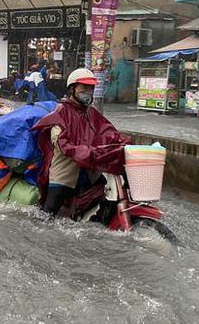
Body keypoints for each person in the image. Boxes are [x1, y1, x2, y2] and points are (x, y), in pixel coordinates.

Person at [33, 68, 130, 216]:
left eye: (91, 88)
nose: (89, 92)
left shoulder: (92, 114)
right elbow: (62, 143)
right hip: (65, 174)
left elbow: (108, 132)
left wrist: (124, 143)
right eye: (84, 88)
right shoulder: (61, 112)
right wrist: (86, 152)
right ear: (72, 89)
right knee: (48, 214)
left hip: (89, 171)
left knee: (106, 199)